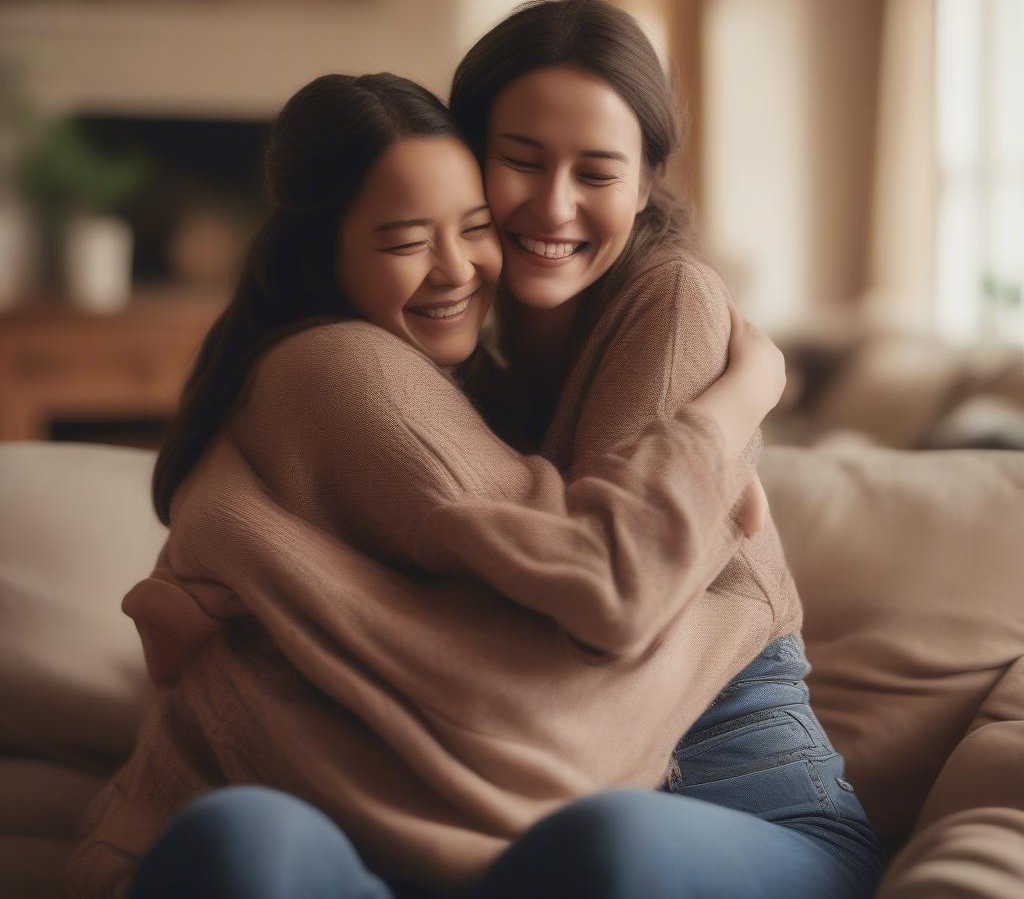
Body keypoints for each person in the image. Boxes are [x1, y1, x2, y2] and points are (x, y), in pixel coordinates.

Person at [64, 71, 783, 899]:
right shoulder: (349, 369)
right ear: (320, 250)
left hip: (707, 800)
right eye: (406, 242)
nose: (456, 269)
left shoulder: (464, 384)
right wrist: (737, 410)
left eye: (475, 228)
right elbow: (612, 576)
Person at [442, 0, 885, 897]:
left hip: (741, 799)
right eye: (519, 161)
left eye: (597, 174)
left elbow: (612, 590)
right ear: (462, 161)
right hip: (534, 787)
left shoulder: (671, 297)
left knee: (595, 844)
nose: (554, 205)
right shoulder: (451, 342)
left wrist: (739, 397)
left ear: (645, 185)